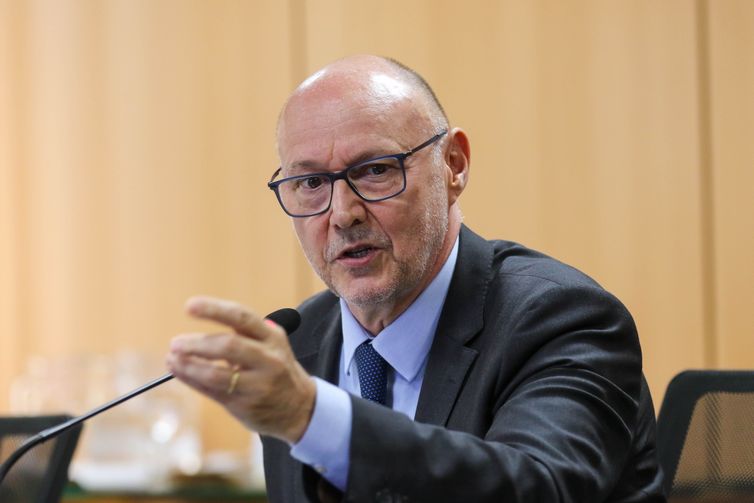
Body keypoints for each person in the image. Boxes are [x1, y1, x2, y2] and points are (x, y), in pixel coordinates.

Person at [167, 55, 665, 502]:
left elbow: (538, 487)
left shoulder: (562, 319)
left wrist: (313, 417)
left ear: (454, 165)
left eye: (375, 170)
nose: (342, 213)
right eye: (311, 183)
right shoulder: (300, 344)